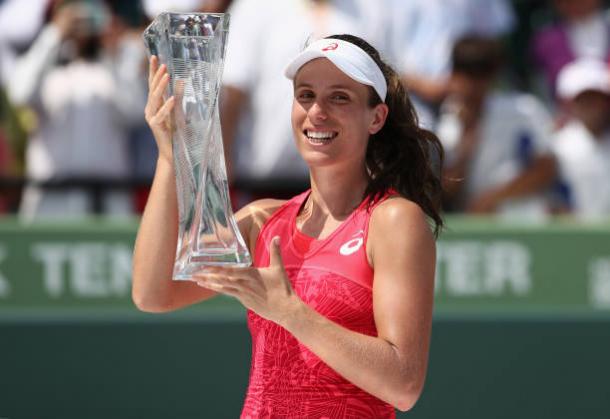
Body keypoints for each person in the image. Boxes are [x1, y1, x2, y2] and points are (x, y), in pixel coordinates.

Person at [133, 34, 442, 417]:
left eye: (340, 97)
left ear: (376, 117)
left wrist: (290, 312)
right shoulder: (263, 219)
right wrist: (170, 155)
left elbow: (403, 384)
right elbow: (154, 292)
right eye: (306, 95)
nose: (317, 112)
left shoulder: (393, 219)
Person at [437, 35, 557, 218]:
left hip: (526, 214)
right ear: (454, 75)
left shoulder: (525, 109)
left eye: (480, 76)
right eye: (466, 75)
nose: (472, 85)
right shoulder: (448, 118)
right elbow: (446, 191)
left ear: (492, 76)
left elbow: (546, 168)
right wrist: (467, 143)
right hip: (475, 223)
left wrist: (492, 198)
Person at [551, 58, 610, 218]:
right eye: (584, 100)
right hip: (573, 237)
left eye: (598, 99)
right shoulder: (557, 146)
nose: (593, 107)